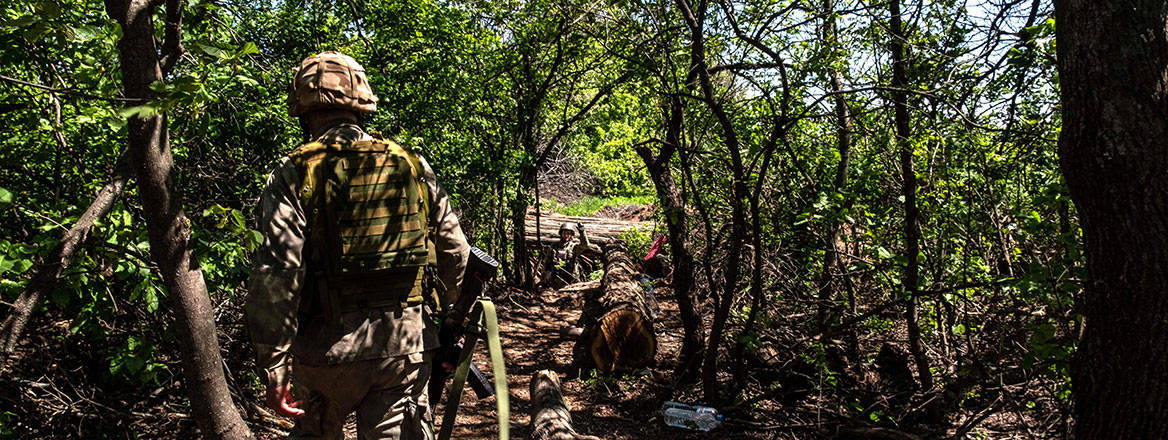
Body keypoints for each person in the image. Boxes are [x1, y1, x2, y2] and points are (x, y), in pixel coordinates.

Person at [245, 51, 469, 440]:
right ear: (363, 103)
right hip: (406, 345)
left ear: (303, 108)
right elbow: (455, 251)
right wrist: (452, 316)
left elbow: (277, 275)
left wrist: (274, 364)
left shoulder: (295, 170)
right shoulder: (412, 164)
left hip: (327, 350)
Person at [537, 222, 597, 288]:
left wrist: (582, 232)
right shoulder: (554, 246)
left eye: (568, 233)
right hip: (555, 279)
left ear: (571, 235)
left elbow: (585, 245)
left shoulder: (574, 246)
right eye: (564, 233)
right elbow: (546, 263)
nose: (566, 235)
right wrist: (543, 280)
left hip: (570, 279)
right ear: (561, 234)